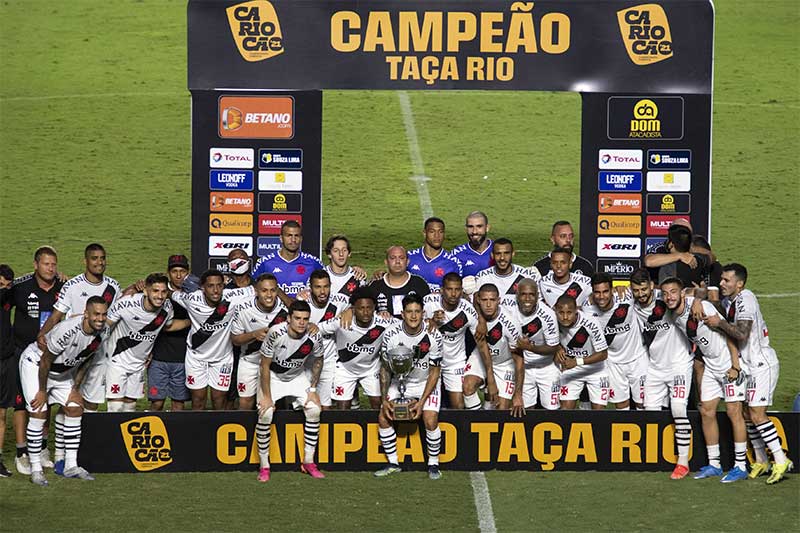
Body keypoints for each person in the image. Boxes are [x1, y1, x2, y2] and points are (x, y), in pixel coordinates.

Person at [704, 263, 792, 484]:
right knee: (746, 414)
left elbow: (742, 334)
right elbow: (721, 307)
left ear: (740, 284)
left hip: (762, 364)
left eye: (726, 280)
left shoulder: (747, 299)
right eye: (721, 279)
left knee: (757, 414)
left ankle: (780, 459)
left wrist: (719, 323)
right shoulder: (731, 301)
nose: (722, 283)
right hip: (749, 367)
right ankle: (761, 460)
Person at [662, 277, 748, 482]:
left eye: (673, 292)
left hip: (728, 363)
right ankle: (714, 464)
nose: (669, 297)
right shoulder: (674, 313)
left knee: (734, 411)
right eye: (665, 294)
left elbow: (728, 332)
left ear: (682, 293)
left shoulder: (701, 308)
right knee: (707, 411)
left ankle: (740, 466)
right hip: (710, 364)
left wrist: (735, 365)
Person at [19, 296, 109, 486]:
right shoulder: (67, 330)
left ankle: (70, 465)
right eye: (96, 314)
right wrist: (42, 391)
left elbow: (86, 359)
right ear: (86, 314)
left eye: (103, 314)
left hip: (62, 372)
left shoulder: (103, 332)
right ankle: (36, 469)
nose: (100, 319)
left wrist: (75, 388)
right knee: (38, 411)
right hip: (36, 365)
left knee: (75, 407)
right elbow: (45, 360)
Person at [38, 243, 122, 414]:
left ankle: (87, 432)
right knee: (69, 402)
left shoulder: (113, 287)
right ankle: (66, 431)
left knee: (92, 402)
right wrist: (42, 334)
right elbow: (56, 315)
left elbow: (115, 318)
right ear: (85, 261)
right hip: (74, 353)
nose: (99, 262)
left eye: (102, 258)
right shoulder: (72, 285)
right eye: (94, 258)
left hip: (97, 352)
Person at [629, 268, 694, 479]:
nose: (640, 294)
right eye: (636, 290)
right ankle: (656, 457)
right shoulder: (631, 303)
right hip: (655, 367)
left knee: (678, 408)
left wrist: (697, 299)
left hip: (679, 364)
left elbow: (688, 297)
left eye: (644, 289)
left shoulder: (666, 298)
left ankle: (683, 462)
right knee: (650, 412)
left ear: (651, 286)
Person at [4, 247, 63, 475]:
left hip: (50, 354)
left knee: (45, 400)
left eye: (54, 264)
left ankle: (41, 448)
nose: (51, 268)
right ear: (36, 265)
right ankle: (22, 453)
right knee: (21, 403)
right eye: (46, 264)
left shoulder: (62, 286)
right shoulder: (20, 287)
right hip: (22, 353)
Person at [375, 294, 445, 480]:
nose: (413, 316)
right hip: (400, 382)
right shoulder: (390, 334)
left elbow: (435, 372)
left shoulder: (434, 335)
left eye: (417, 312)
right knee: (383, 416)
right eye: (409, 312)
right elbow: (385, 369)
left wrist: (421, 402)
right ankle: (393, 463)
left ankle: (433, 464)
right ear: (402, 314)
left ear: (423, 313)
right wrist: (384, 400)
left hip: (426, 382)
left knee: (430, 419)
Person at [255, 300, 326, 482]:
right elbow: (264, 365)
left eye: (305, 319)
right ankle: (264, 465)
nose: (301, 322)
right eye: (297, 318)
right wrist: (267, 397)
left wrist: (312, 390)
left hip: (296, 376)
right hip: (272, 376)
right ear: (288, 318)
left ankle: (308, 462)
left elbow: (319, 360)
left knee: (314, 409)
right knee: (265, 413)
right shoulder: (275, 333)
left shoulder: (314, 336)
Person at [170, 269, 254, 410]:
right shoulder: (191, 299)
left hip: (222, 358)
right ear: (202, 288)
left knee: (219, 400)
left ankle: (216, 425)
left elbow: (261, 288)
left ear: (223, 286)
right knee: (198, 400)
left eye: (219, 285)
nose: (215, 290)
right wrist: (136, 289)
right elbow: (170, 293)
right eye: (210, 286)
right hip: (196, 358)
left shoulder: (233, 296)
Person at [104, 273, 187, 412]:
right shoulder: (126, 303)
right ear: (146, 291)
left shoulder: (167, 308)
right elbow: (105, 325)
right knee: (116, 407)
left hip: (139, 364)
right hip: (117, 360)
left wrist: (192, 321)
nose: (160, 296)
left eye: (163, 292)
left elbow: (168, 326)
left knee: (130, 406)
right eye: (155, 291)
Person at [318, 286, 394, 409]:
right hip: (345, 370)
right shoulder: (341, 321)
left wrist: (427, 322)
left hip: (371, 369)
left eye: (369, 308)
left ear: (374, 307)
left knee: (378, 404)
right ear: (353, 309)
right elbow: (317, 329)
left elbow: (404, 325)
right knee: (343, 409)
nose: (365, 312)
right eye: (361, 308)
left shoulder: (384, 322)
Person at [584, 273, 648, 410]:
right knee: (621, 404)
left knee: (643, 403)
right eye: (597, 292)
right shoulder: (587, 308)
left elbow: (651, 291)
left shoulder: (626, 296)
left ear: (612, 290)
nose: (601, 296)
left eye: (605, 291)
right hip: (612, 362)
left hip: (638, 357)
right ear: (592, 292)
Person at [230, 274, 288, 411]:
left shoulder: (285, 309)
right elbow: (235, 340)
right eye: (264, 290)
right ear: (256, 291)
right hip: (250, 361)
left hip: (275, 363)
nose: (269, 295)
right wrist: (253, 335)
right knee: (245, 402)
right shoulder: (243, 308)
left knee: (273, 403)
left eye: (273, 290)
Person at [423, 273, 480, 408]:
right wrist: (431, 321)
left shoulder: (468, 310)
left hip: (455, 362)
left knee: (458, 406)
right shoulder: (428, 303)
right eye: (449, 289)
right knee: (426, 406)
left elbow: (481, 339)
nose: (453, 294)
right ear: (442, 290)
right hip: (429, 361)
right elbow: (413, 327)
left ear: (462, 291)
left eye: (457, 289)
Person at [462, 284, 523, 412]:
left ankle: (486, 409)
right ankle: (477, 420)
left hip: (504, 363)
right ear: (479, 300)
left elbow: (519, 360)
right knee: (467, 386)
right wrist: (491, 380)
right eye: (485, 300)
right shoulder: (474, 317)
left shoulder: (511, 324)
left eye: (492, 300)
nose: (488, 305)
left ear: (499, 301)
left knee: (501, 409)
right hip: (481, 356)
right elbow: (482, 348)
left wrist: (518, 394)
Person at [503, 279, 561, 410]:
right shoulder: (507, 308)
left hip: (546, 367)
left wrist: (529, 347)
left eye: (531, 294)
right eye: (523, 294)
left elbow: (553, 348)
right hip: (522, 368)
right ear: (517, 295)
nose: (527, 299)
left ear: (538, 296)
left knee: (552, 411)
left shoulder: (548, 315)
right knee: (523, 410)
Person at [149, 255, 193, 411]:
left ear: (188, 272)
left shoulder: (195, 294)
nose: (179, 275)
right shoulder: (160, 293)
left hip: (183, 358)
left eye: (182, 271)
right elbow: (164, 326)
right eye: (174, 271)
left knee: (178, 405)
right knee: (157, 403)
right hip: (159, 357)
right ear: (168, 273)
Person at [553, 295, 610, 410]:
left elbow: (603, 354)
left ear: (576, 311)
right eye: (561, 313)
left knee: (599, 413)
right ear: (555, 311)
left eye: (569, 312)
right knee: (565, 410)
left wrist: (577, 362)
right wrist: (557, 348)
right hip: (571, 369)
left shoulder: (591, 323)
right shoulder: (553, 321)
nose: (565, 317)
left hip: (596, 369)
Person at [304, 270, 350, 409]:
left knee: (326, 406)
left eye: (326, 286)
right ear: (310, 288)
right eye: (318, 287)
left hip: (328, 362)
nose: (323, 291)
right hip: (305, 363)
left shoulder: (341, 301)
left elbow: (360, 304)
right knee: (305, 405)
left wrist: (351, 310)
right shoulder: (302, 303)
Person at [251, 221, 324, 298]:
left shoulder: (313, 263)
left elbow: (326, 286)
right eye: (289, 235)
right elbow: (252, 287)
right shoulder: (265, 262)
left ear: (301, 239)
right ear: (281, 238)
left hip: (303, 305)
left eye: (296, 236)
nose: (293, 239)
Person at [475, 237, 540, 308]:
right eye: (498, 253)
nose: (502, 258)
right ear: (492, 255)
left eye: (506, 253)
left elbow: (539, 303)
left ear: (513, 254)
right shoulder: (482, 277)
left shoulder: (527, 276)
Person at [370, 246, 430, 318]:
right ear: (386, 262)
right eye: (393, 258)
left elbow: (428, 311)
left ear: (407, 262)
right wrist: (378, 316)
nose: (397, 262)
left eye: (401, 258)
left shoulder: (419, 284)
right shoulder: (375, 286)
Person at [407, 217, 462, 291]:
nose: (437, 236)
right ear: (424, 233)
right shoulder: (409, 257)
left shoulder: (453, 263)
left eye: (440, 232)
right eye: (432, 232)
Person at [0, 264, 15, 477]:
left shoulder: (9, 296)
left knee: (2, 413)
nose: (3, 289)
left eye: (6, 285)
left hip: (5, 360)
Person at [452, 211, 494, 278]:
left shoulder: (498, 250)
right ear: (466, 229)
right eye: (470, 227)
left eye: (479, 226)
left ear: (487, 228)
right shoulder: (457, 254)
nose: (474, 231)